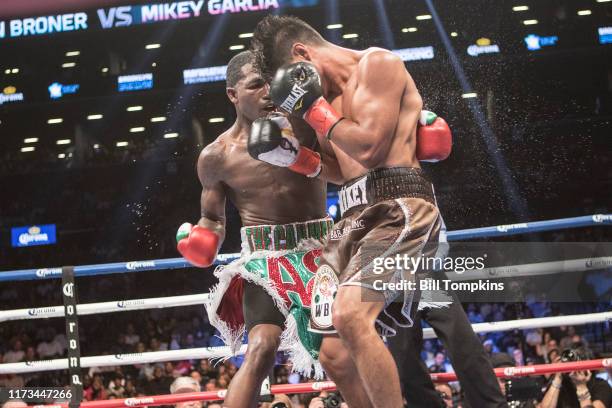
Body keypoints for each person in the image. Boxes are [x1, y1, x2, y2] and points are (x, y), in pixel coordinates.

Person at [250, 15, 502, 408]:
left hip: (399, 207)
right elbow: (338, 167)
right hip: (350, 219)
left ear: (302, 54)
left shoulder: (378, 64)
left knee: (352, 315)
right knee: (332, 351)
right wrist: (295, 158)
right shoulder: (321, 100)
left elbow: (369, 147)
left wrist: (315, 110)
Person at [176, 50, 331, 408]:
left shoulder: (305, 126)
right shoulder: (217, 155)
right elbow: (213, 217)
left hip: (323, 252)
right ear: (233, 94)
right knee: (261, 348)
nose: (267, 92)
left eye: (271, 83)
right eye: (255, 85)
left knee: (342, 351)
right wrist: (202, 239)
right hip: (265, 260)